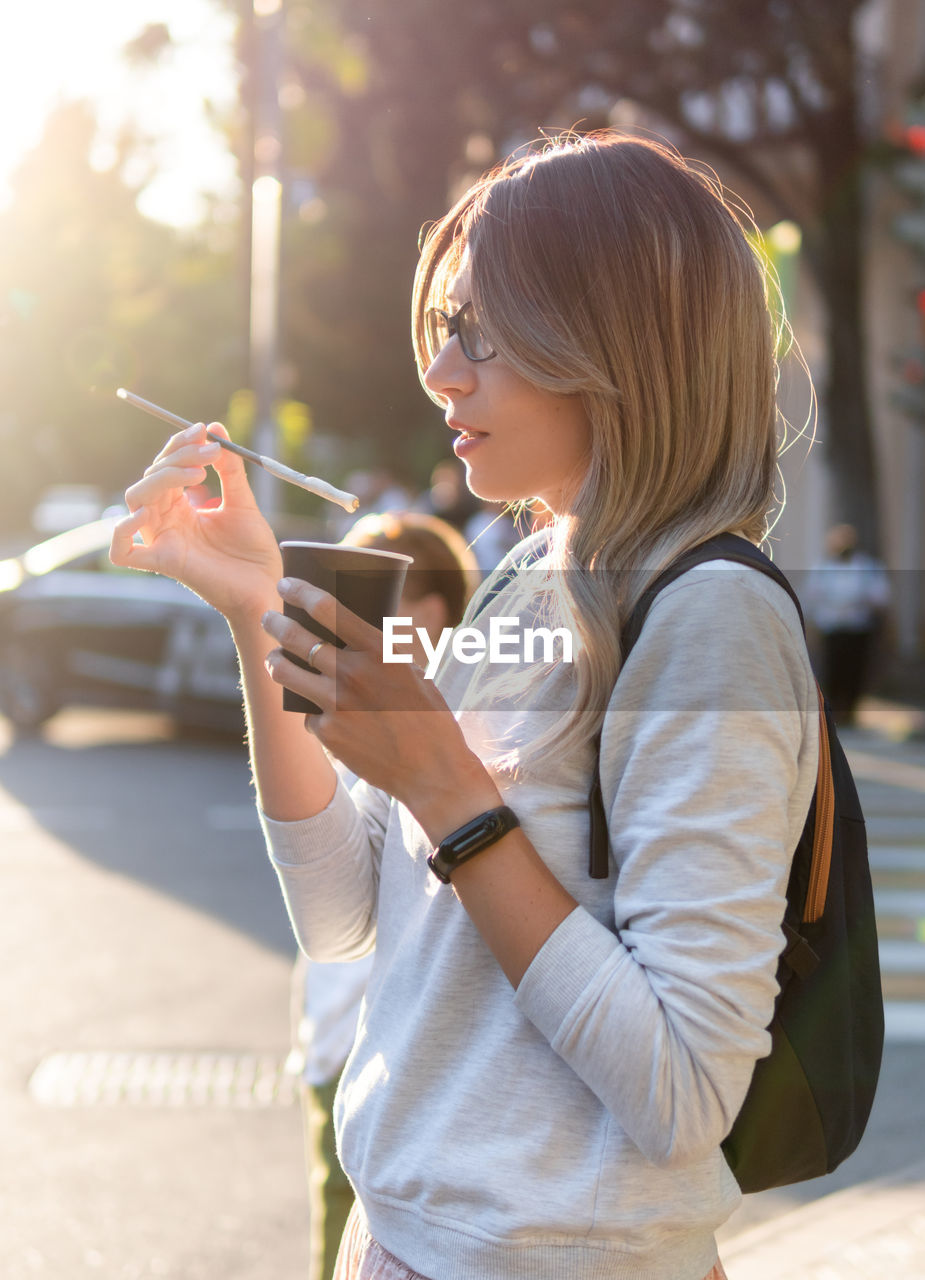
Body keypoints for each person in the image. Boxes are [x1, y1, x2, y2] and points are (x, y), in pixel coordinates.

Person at [111, 132, 820, 1280]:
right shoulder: (524, 580)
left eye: (485, 334)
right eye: (450, 331)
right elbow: (343, 914)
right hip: (402, 1240)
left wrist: (448, 785)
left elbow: (685, 1089)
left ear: (617, 342)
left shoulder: (711, 616)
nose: (444, 374)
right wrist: (254, 610)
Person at [291, 511, 479, 1280]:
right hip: (341, 1041)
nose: (336, 617)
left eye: (363, 596)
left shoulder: (460, 726)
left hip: (394, 1054)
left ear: (427, 613)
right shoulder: (358, 712)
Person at [805, 523, 891, 726]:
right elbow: (811, 597)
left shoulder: (867, 567)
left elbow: (880, 598)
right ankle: (834, 710)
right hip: (832, 630)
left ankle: (851, 710)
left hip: (857, 630)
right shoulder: (823, 568)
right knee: (832, 670)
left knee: (855, 672)